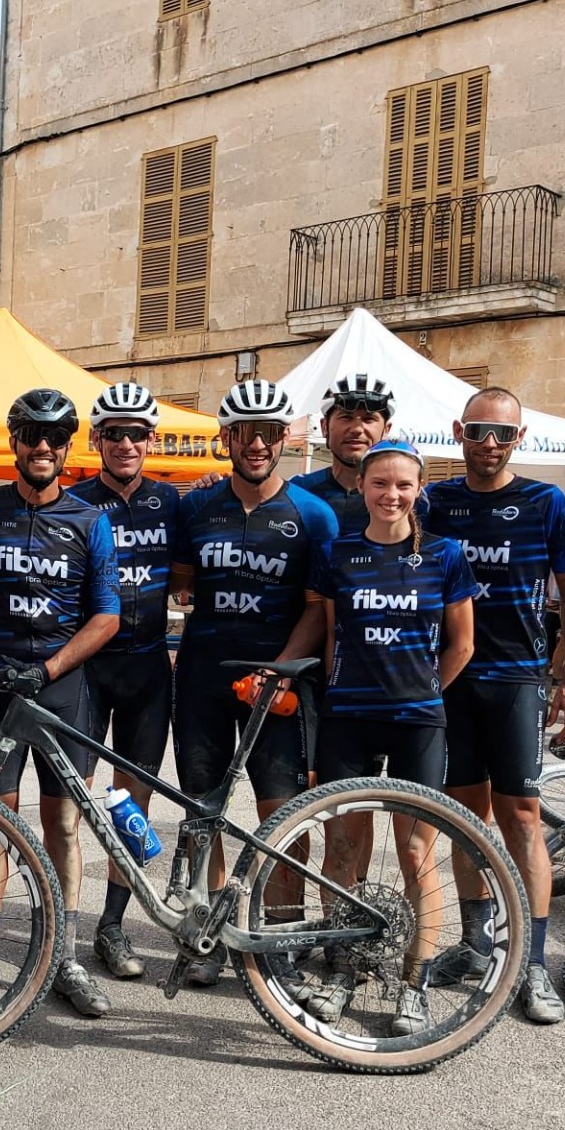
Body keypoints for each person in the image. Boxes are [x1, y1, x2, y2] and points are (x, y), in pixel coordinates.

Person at [424, 387, 565, 1024]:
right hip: (453, 676)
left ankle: (534, 961)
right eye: (478, 431)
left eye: (503, 433)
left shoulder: (544, 501)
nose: (489, 443)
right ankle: (474, 943)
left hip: (517, 678)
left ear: (520, 440)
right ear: (458, 432)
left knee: (521, 815)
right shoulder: (436, 501)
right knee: (464, 816)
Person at [305, 438, 477, 1035]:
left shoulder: (445, 554)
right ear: (361, 487)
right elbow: (330, 637)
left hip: (417, 720)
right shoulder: (338, 554)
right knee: (344, 848)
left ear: (418, 490)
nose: (392, 494)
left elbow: (462, 643)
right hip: (348, 716)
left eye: (404, 485)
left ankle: (414, 982)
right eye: (380, 483)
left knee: (414, 852)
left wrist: (426, 690)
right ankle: (344, 968)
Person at [0, 388, 121, 1016]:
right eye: (33, 435)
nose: (45, 447)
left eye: (57, 438)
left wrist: (50, 667)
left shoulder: (89, 520)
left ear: (69, 445)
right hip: (0, 688)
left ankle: (65, 955)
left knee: (63, 824)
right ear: (14, 442)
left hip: (60, 687)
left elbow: (106, 616)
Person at [170, 379, 336, 985]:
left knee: (282, 812)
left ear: (284, 437)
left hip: (278, 680)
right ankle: (208, 932)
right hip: (203, 676)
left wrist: (279, 666)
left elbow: (320, 610)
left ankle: (280, 938)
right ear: (227, 438)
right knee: (202, 812)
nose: (257, 443)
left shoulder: (312, 514)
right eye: (244, 432)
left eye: (268, 432)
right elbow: (181, 584)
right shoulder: (196, 507)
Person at [68, 382, 179, 983]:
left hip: (147, 669)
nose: (127, 443)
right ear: (97, 439)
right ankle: (65, 923)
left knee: (131, 805)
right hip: (90, 668)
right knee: (73, 802)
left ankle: (111, 925)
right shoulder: (76, 500)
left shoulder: (173, 503)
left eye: (138, 432)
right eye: (115, 432)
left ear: (151, 440)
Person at [289, 374, 394, 529]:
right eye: (346, 417)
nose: (357, 429)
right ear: (324, 427)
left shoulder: (402, 500)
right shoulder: (296, 491)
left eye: (369, 419)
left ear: (386, 430)